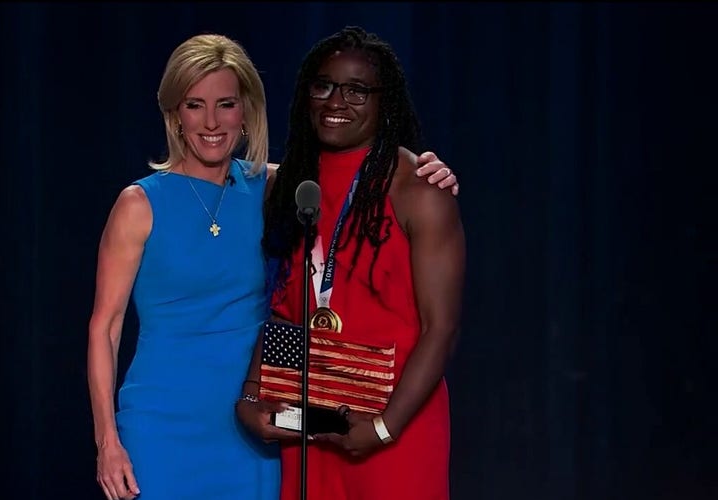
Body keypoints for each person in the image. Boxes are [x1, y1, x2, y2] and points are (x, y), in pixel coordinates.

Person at [87, 33, 459, 500]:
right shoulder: (139, 204)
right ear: (173, 114)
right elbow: (105, 328)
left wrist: (433, 169)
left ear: (246, 111)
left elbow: (362, 177)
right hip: (163, 422)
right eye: (194, 105)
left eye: (225, 104)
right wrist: (107, 442)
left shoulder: (276, 188)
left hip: (259, 426)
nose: (210, 122)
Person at [237, 26, 465, 500]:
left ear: (386, 102)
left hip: (394, 424)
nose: (336, 102)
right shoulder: (288, 189)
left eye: (356, 90)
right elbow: (284, 309)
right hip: (312, 424)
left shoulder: (419, 190)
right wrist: (254, 396)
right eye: (323, 86)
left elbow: (439, 328)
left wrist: (384, 427)